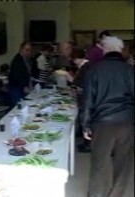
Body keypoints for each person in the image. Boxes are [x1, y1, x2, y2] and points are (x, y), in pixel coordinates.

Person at [82, 36, 134, 197]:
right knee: (123, 162)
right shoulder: (130, 70)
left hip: (102, 123)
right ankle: (116, 194)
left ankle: (97, 194)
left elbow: (88, 100)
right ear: (120, 50)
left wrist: (85, 125)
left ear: (105, 49)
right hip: (126, 122)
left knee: (100, 162)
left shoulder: (94, 69)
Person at [68, 48, 92, 153]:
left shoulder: (85, 67)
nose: (74, 62)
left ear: (77, 58)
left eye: (74, 59)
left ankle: (87, 145)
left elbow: (80, 83)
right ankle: (86, 142)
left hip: (84, 99)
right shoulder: (86, 66)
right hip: (84, 97)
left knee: (85, 121)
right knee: (84, 120)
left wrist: (68, 77)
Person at [8, 41, 32, 107]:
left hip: (20, 87)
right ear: (21, 49)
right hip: (16, 88)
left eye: (29, 50)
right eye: (26, 50)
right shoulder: (17, 60)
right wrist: (24, 86)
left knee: (22, 106)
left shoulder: (24, 59)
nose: (28, 52)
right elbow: (17, 75)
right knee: (17, 107)